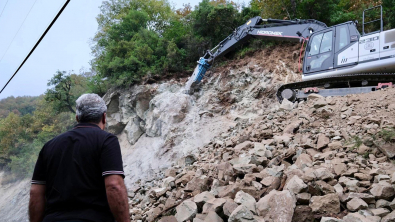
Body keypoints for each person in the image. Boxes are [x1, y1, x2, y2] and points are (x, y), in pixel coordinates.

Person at [29, 93, 130, 222]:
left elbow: (35, 193)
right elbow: (114, 186)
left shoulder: (49, 146)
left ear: (77, 118)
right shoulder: (106, 140)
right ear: (104, 117)